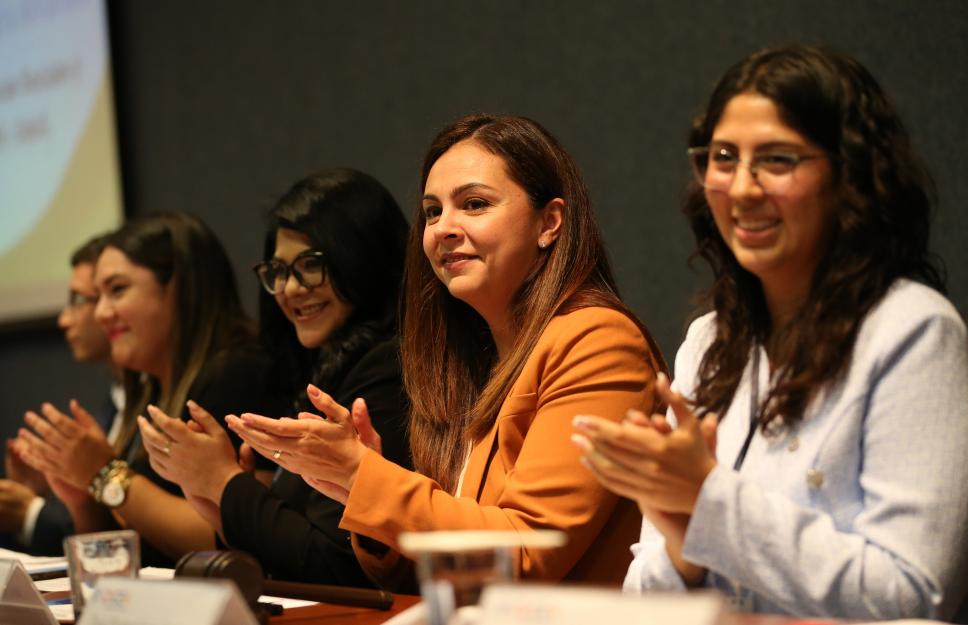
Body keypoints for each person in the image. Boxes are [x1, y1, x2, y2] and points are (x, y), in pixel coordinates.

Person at [572, 45, 968, 621]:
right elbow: (646, 604)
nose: (743, 189)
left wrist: (709, 501)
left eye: (777, 160)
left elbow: (914, 597)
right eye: (723, 158)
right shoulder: (709, 341)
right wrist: (682, 546)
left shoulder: (914, 333)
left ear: (849, 174)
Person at [227, 113, 661, 589]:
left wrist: (364, 478)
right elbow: (434, 577)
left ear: (549, 222)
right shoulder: (468, 357)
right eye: (433, 211)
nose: (442, 228)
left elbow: (524, 555)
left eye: (474, 204)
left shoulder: (597, 340)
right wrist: (360, 490)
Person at [135, 169, 411, 586]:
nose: (291, 289)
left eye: (311, 266)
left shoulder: (388, 368)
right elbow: (295, 550)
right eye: (279, 271)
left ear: (362, 261)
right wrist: (228, 505)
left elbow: (336, 564)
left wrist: (223, 482)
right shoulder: (322, 370)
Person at [14, 213, 284, 566]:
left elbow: (228, 542)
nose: (102, 313)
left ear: (179, 289)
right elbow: (123, 557)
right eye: (98, 296)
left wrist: (105, 475)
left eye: (117, 290)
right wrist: (83, 500)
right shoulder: (151, 388)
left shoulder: (240, 372)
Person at [0, 233, 123, 555]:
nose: (64, 319)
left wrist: (31, 513)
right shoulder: (117, 398)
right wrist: (52, 486)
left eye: (78, 300)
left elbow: (132, 536)